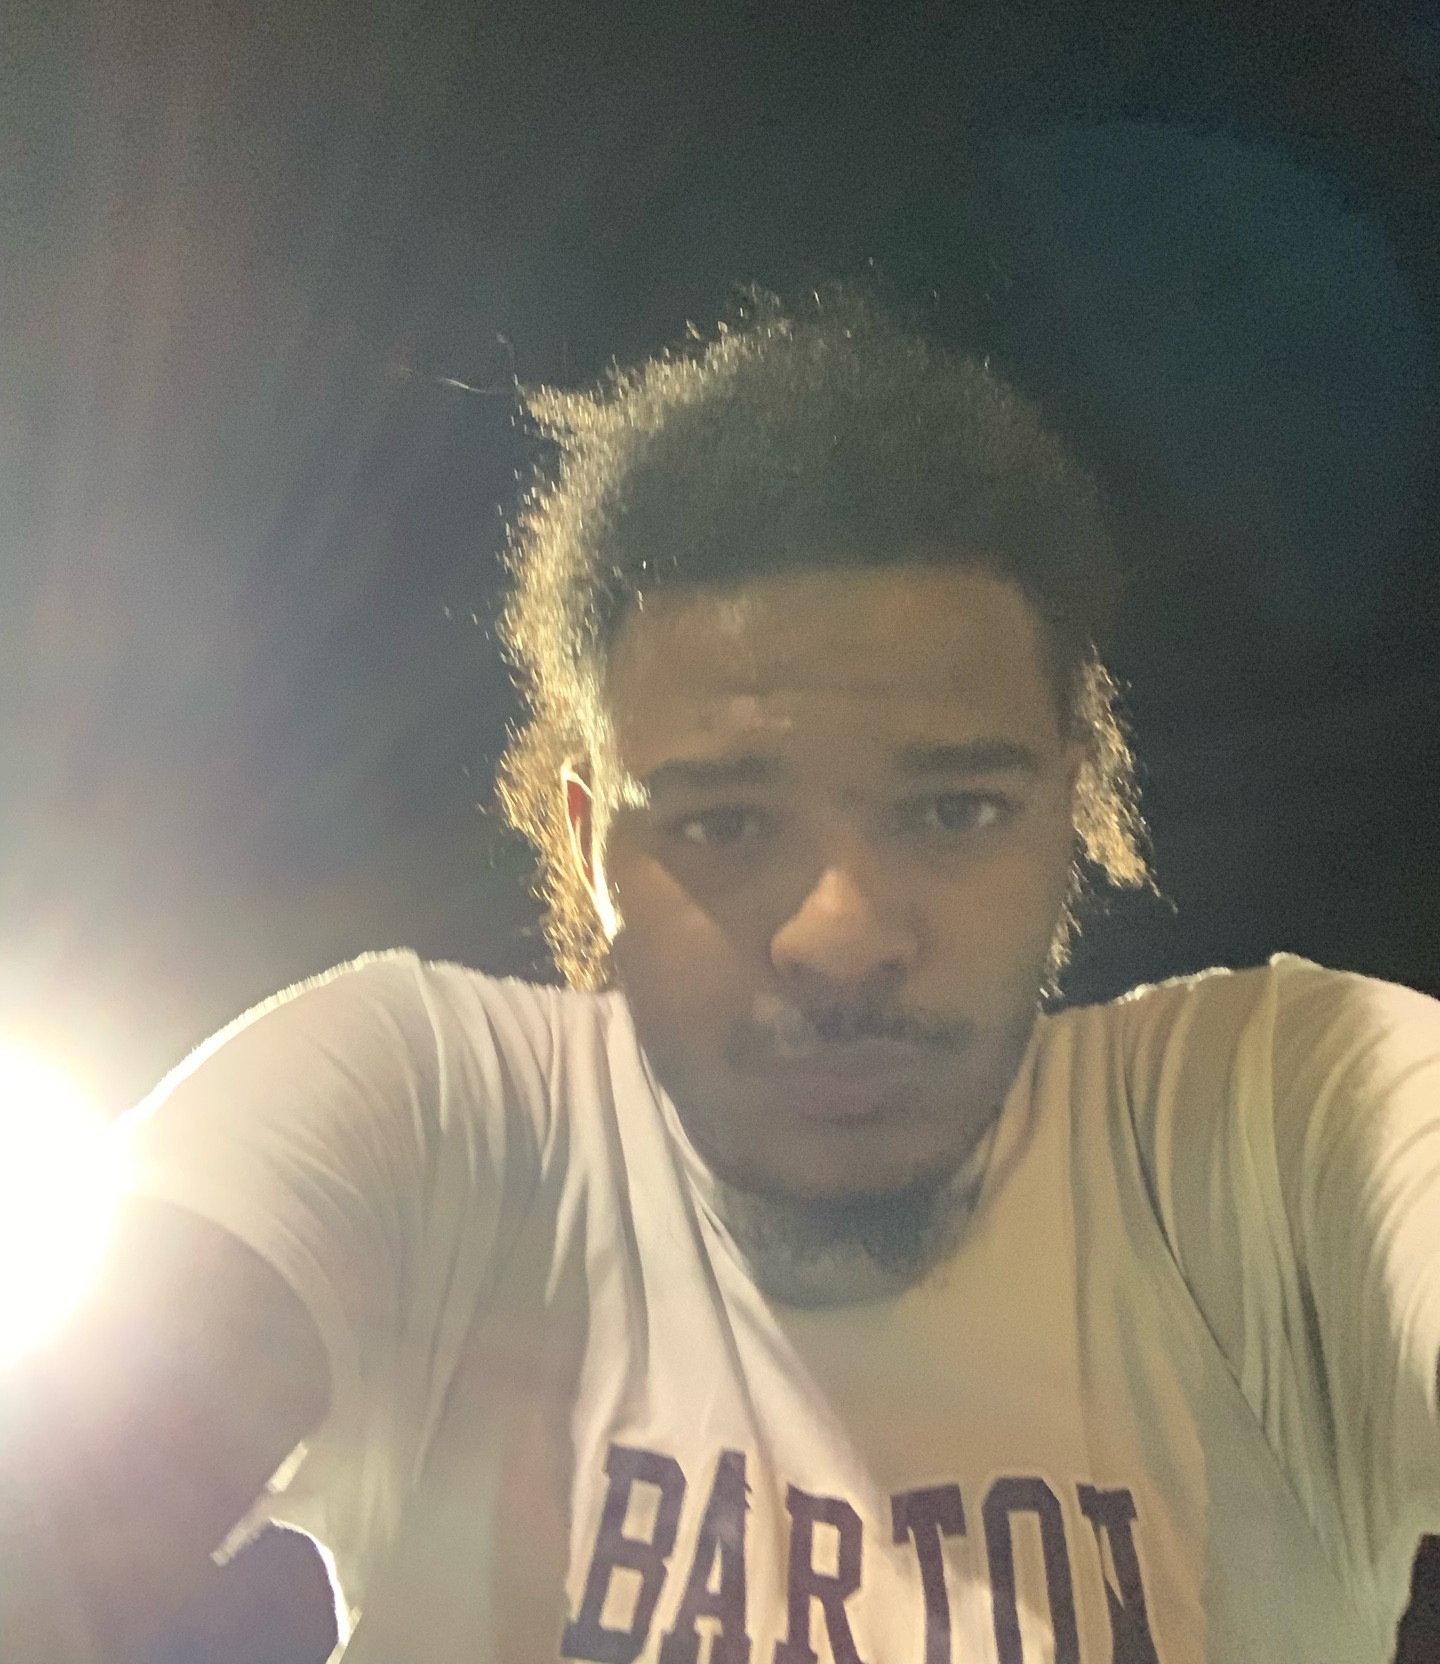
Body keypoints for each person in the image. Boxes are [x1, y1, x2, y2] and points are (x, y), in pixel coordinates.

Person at [4, 290, 1439, 1664]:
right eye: (727, 825)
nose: (841, 933)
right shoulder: (443, 1114)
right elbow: (65, 1487)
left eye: (954, 810)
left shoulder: (1269, 1125)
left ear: (1070, 808)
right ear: (590, 844)